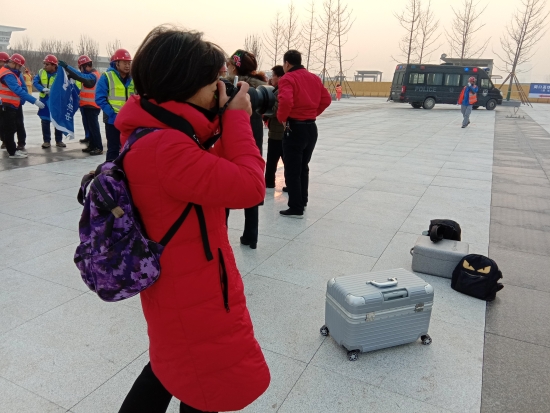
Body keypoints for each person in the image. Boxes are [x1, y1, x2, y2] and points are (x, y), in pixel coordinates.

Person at [114, 26, 269, 413]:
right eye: (213, 80)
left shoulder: (158, 134)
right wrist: (237, 119)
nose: (220, 88)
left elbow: (210, 171)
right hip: (192, 295)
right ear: (184, 85)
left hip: (184, 286)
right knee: (202, 382)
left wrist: (220, 119)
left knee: (174, 370)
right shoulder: (165, 147)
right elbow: (250, 186)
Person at [277, 49, 332, 218]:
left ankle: (296, 206)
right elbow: (326, 99)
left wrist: (282, 118)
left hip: (295, 128)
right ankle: (303, 200)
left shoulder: (288, 78)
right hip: (311, 128)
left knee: (292, 169)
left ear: (287, 63)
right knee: (303, 166)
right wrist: (313, 113)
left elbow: (286, 101)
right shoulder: (314, 78)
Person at [226, 49, 267, 249]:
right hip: (253, 142)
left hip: (232, 141)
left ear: (234, 68)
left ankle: (221, 232)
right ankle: (251, 236)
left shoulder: (230, 88)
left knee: (224, 188)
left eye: (228, 65)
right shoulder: (260, 90)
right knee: (252, 185)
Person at [0, 54, 45, 158]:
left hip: (11, 105)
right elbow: (18, 90)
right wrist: (34, 101)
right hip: (7, 105)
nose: (20, 68)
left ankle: (13, 150)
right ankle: (12, 152)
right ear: (14, 63)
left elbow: (21, 87)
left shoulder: (11, 72)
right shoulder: (8, 75)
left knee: (11, 128)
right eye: (19, 66)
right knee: (9, 130)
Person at [59, 55, 103, 155]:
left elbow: (82, 77)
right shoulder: (89, 75)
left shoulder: (93, 75)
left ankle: (98, 147)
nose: (81, 70)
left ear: (85, 66)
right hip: (87, 106)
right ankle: (92, 145)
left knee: (94, 128)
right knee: (90, 128)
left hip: (92, 107)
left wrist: (67, 67)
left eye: (80, 68)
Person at [95, 48, 134, 160]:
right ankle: (110, 169)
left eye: (129, 63)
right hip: (112, 120)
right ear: (117, 63)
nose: (127, 66)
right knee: (113, 149)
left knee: (128, 149)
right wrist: (113, 114)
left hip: (129, 121)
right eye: (124, 63)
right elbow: (100, 99)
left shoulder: (133, 79)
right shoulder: (106, 77)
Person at [34, 54, 66, 148]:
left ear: (53, 65)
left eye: (47, 64)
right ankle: (46, 141)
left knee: (57, 120)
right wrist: (42, 89)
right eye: (44, 64)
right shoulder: (41, 72)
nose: (45, 66)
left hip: (56, 100)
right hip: (44, 99)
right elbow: (35, 82)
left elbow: (65, 86)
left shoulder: (60, 74)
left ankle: (59, 141)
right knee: (45, 120)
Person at [264, 65, 285, 189]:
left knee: (272, 160)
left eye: (273, 76)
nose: (271, 78)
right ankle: (289, 183)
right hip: (282, 131)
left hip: (277, 132)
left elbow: (275, 111)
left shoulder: (279, 91)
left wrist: (264, 111)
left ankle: (269, 182)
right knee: (287, 160)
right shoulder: (279, 89)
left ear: (280, 77)